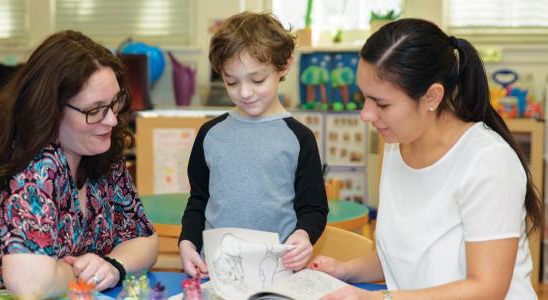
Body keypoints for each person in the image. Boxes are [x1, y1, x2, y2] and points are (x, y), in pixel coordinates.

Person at [310, 18, 542, 300]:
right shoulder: (397, 144)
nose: (366, 115)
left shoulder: (488, 161)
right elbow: (402, 258)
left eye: (382, 103)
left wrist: (377, 298)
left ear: (432, 96)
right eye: (365, 98)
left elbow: (487, 288)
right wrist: (343, 270)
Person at [0, 30, 158, 299]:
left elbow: (145, 240)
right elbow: (31, 284)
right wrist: (89, 272)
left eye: (114, 103)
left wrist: (113, 265)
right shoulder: (33, 164)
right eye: (94, 110)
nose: (112, 121)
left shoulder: (100, 152)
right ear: (50, 108)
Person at [179, 11, 329, 277]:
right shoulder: (210, 134)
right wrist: (187, 242)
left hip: (277, 273)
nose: (245, 93)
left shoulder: (299, 138)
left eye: (257, 80)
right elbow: (198, 200)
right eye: (232, 82)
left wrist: (304, 235)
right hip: (216, 272)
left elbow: (313, 208)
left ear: (284, 66)